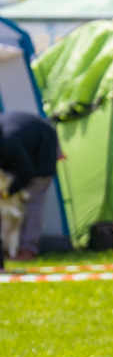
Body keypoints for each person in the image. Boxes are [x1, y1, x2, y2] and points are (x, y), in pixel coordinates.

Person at [0, 111, 61, 261]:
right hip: (23, 150)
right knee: (10, 206)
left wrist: (8, 192)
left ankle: (29, 248)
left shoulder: (9, 142)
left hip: (43, 150)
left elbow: (26, 171)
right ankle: (10, 249)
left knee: (34, 200)